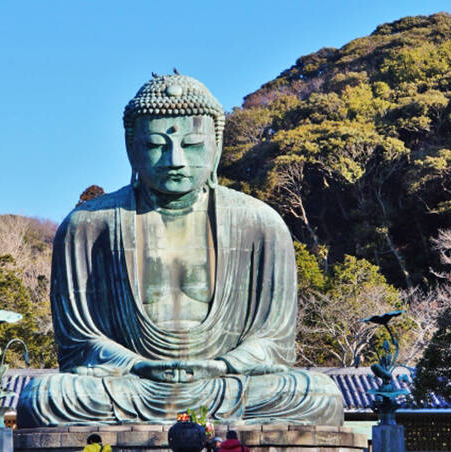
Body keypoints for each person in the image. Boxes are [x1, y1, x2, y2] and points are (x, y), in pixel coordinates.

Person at [17, 73, 343, 426]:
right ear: (131, 148)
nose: (174, 160)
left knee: (318, 394)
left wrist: (222, 366)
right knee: (46, 395)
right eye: (156, 145)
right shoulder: (88, 225)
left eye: (192, 145)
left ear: (216, 146)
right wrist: (137, 364)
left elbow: (273, 341)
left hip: (225, 383)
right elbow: (80, 342)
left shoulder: (260, 223)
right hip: (132, 384)